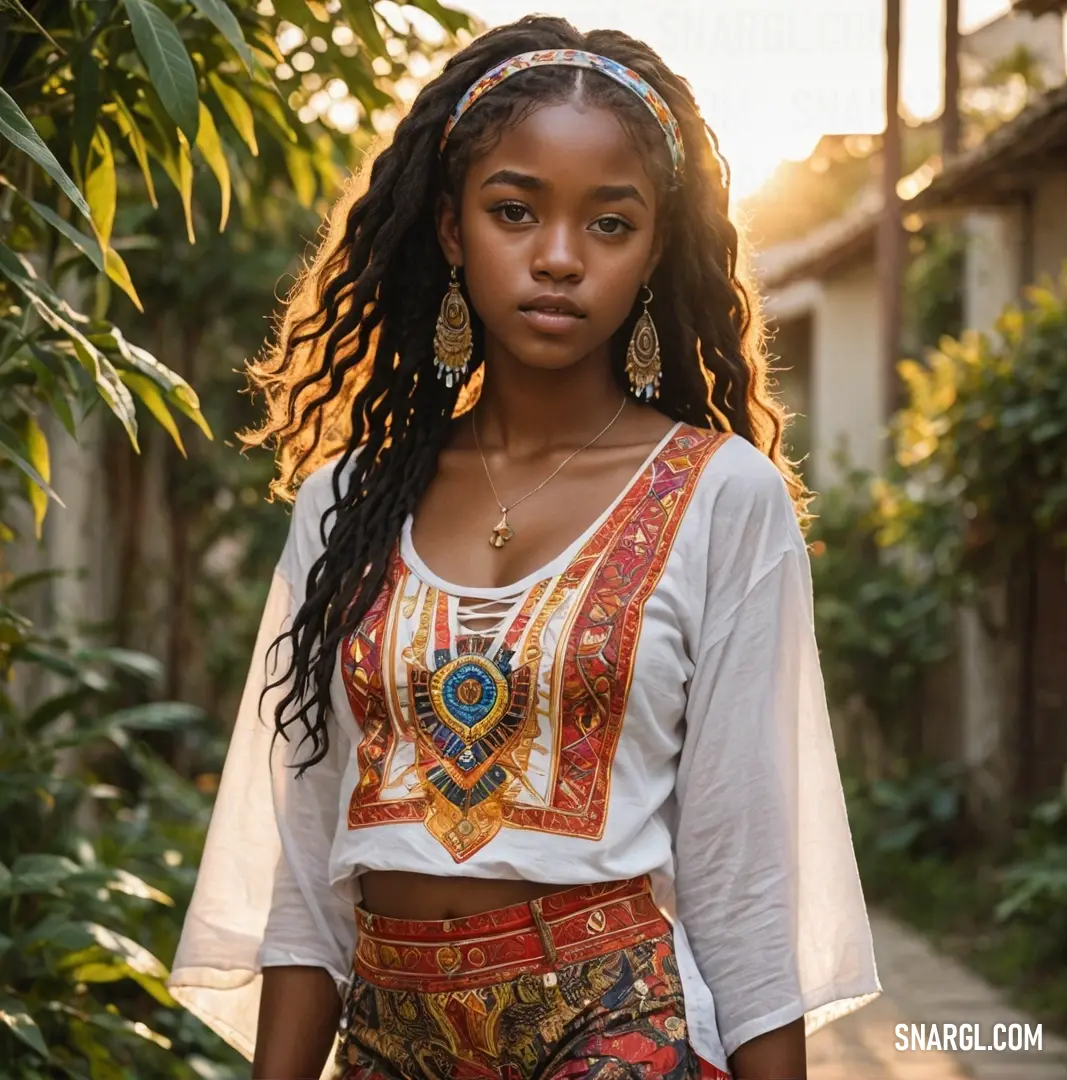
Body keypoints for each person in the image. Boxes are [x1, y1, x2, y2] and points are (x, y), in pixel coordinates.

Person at [168, 14, 881, 1080]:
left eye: (610, 224)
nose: (558, 258)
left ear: (655, 252)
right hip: (386, 1037)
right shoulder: (346, 502)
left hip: (615, 1031)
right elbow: (306, 867)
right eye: (515, 211)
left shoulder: (721, 496)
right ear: (453, 231)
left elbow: (741, 865)